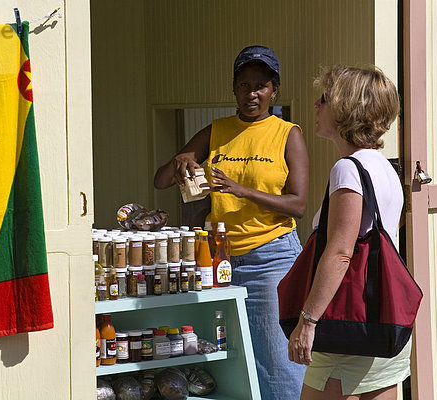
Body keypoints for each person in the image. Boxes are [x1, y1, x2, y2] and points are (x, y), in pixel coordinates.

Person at [154, 45, 309, 399]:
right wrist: (180, 159)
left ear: (275, 89)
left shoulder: (288, 134)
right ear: (233, 89)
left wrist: (241, 190)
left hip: (271, 258)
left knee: (277, 361)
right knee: (229, 358)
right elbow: (161, 181)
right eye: (243, 85)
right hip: (218, 260)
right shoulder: (216, 130)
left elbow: (297, 205)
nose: (251, 94)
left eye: (260, 86)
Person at [287, 65, 410, 399]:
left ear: (346, 109)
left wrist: (307, 322)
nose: (316, 105)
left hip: (344, 327)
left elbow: (341, 251)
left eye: (324, 98)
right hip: (381, 324)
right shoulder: (384, 167)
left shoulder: (348, 168)